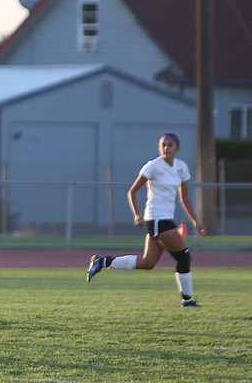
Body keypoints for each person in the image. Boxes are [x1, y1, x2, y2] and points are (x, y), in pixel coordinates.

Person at [86, 132, 207, 307]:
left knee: (147, 263)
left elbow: (184, 198)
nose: (166, 148)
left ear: (177, 148)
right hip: (157, 219)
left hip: (164, 221)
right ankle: (187, 300)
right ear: (159, 147)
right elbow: (132, 191)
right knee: (184, 257)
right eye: (163, 145)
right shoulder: (153, 166)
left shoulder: (182, 167)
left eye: (170, 145)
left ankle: (102, 261)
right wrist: (136, 213)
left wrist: (196, 221)